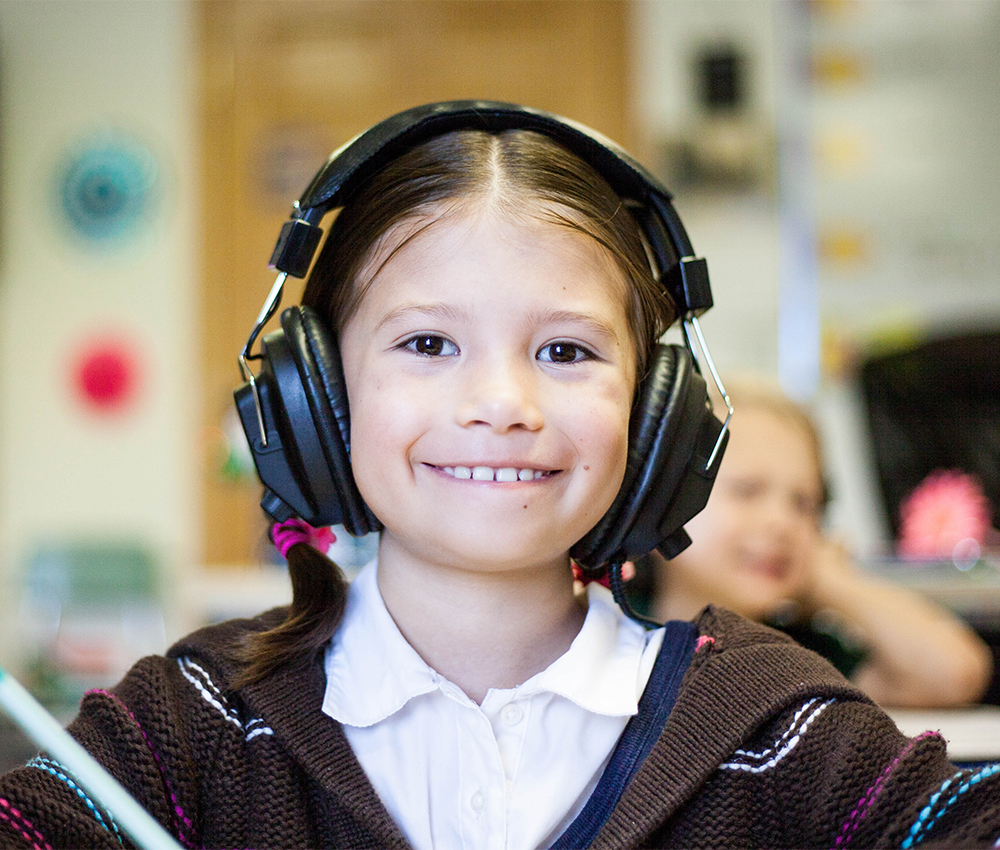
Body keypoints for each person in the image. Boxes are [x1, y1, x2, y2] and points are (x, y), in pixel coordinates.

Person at [3, 102, 1000, 849]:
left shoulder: (777, 731)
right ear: (316, 397)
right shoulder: (195, 725)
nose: (501, 401)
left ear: (662, 417)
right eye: (428, 341)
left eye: (566, 352)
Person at [644, 375, 993, 708]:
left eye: (803, 504)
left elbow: (955, 674)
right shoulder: (607, 629)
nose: (782, 523)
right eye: (747, 491)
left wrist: (831, 581)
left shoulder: (804, 656)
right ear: (660, 502)